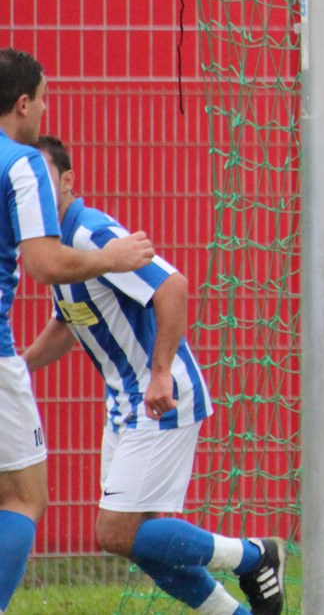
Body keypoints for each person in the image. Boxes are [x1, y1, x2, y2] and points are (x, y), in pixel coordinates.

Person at [22, 136, 285, 615]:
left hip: (160, 396)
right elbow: (69, 322)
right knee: (138, 543)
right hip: (124, 404)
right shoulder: (54, 246)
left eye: (46, 179)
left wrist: (160, 372)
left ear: (66, 182)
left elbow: (173, 286)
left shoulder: (91, 234)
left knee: (114, 532)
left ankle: (255, 555)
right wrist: (19, 368)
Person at [0, 47, 156, 614]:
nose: (45, 109)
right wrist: (112, 259)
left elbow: (68, 321)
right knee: (24, 497)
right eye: (43, 99)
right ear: (23, 104)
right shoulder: (21, 164)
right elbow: (44, 264)